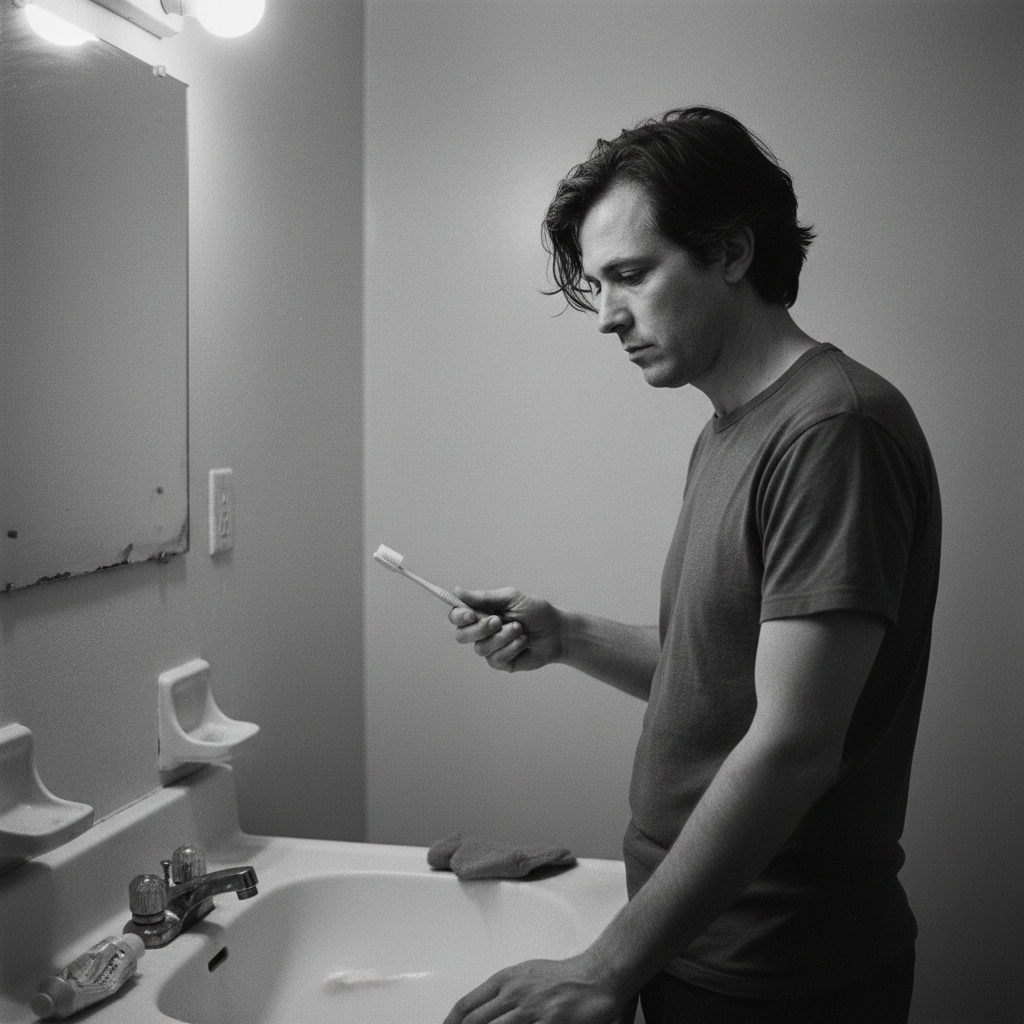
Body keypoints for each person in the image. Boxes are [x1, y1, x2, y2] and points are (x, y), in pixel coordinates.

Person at [441, 107, 941, 1024]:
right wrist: (569, 636)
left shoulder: (836, 429)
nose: (606, 317)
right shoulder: (731, 431)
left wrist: (605, 966)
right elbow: (720, 681)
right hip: (694, 943)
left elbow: (792, 744)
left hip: (781, 973)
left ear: (733, 252)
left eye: (631, 274)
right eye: (596, 285)